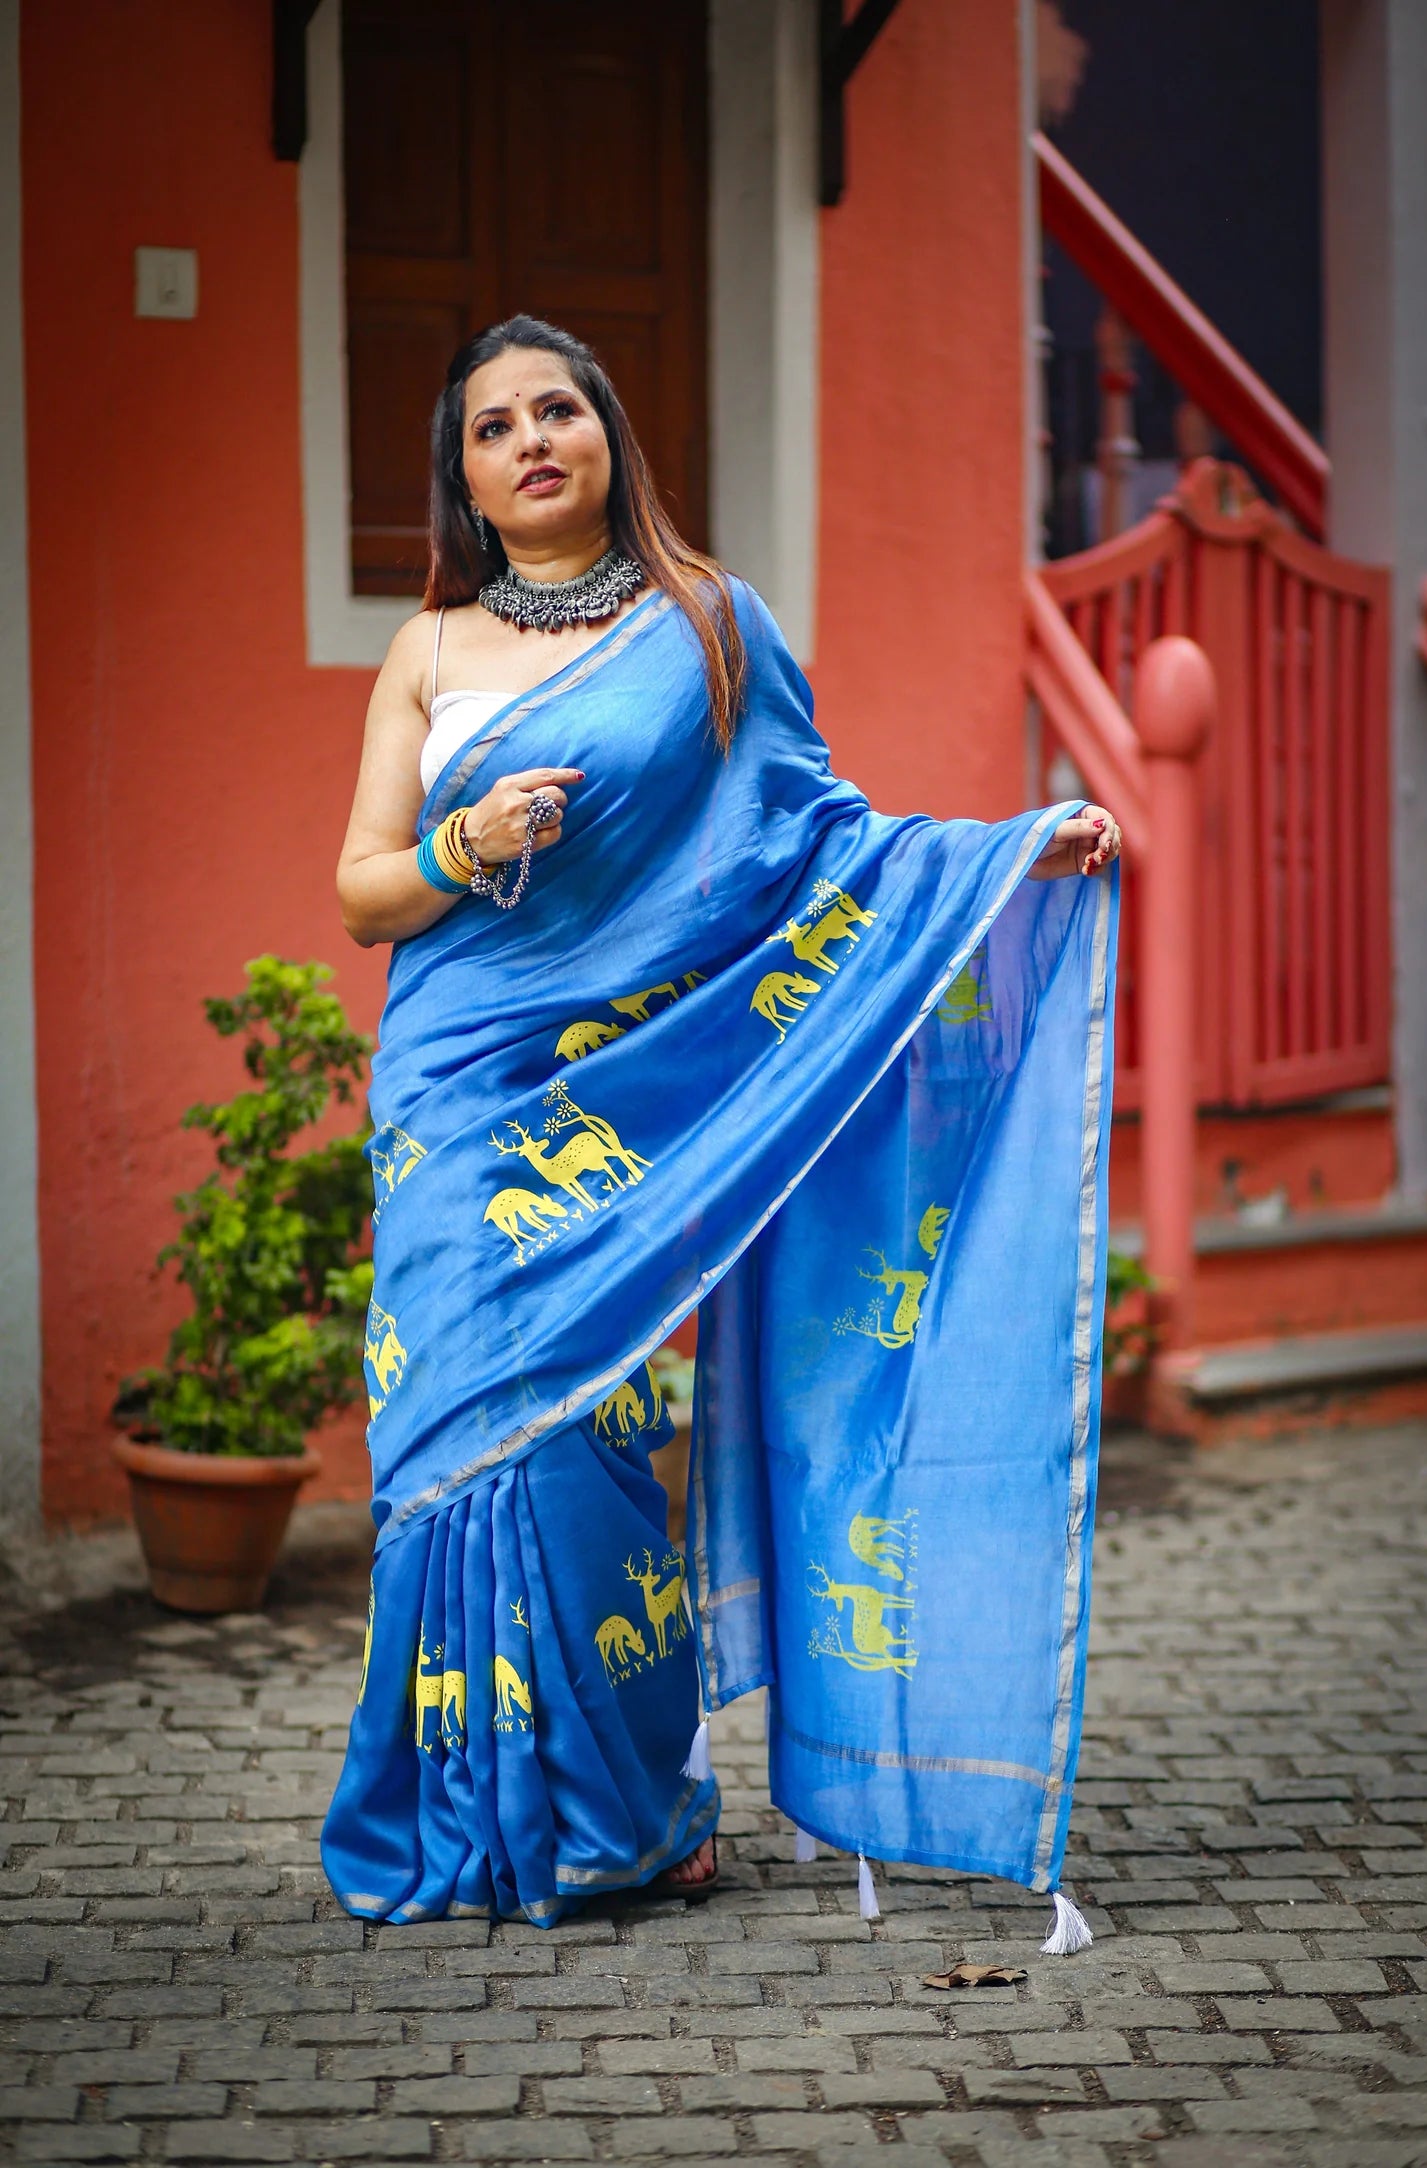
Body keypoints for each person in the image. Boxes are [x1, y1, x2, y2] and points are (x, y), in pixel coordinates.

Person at [323, 315, 1122, 1931]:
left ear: (609, 435)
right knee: (448, 1425)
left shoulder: (709, 626)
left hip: (625, 1096)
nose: (530, 440)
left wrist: (998, 856)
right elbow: (360, 891)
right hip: (454, 1084)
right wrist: (467, 846)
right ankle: (464, 1811)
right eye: (492, 426)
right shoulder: (428, 651)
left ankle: (624, 1809)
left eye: (557, 409)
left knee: (586, 1433)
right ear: (462, 478)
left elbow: (812, 841)